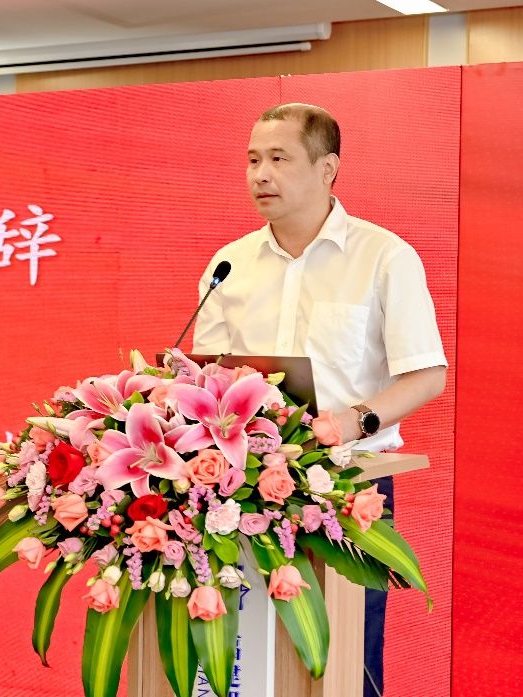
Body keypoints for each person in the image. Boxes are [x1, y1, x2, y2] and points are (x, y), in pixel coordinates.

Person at [191, 103, 447, 697]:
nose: (261, 174)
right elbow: (205, 380)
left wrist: (353, 420)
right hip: (240, 487)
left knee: (347, 657)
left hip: (350, 485)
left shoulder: (384, 258)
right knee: (248, 652)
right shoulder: (229, 265)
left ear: (327, 168)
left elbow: (427, 375)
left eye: (279, 158)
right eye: (253, 160)